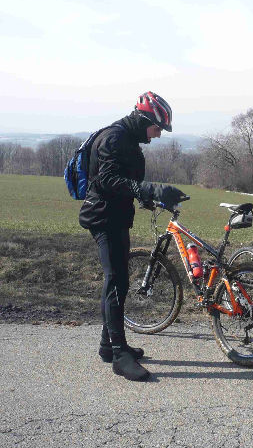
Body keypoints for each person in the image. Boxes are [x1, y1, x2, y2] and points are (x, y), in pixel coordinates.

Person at [79, 91, 186, 381]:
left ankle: (109, 345)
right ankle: (119, 356)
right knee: (116, 281)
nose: (158, 135)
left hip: (115, 216)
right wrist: (148, 190)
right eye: (156, 128)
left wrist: (155, 198)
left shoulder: (128, 139)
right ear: (143, 119)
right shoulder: (115, 138)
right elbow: (107, 180)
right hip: (103, 217)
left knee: (119, 281)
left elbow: (127, 182)